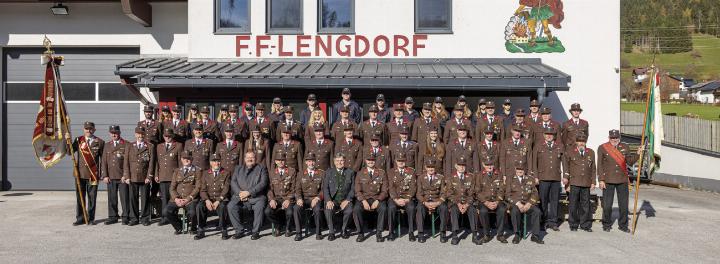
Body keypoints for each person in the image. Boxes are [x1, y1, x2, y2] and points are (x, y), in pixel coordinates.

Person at [598, 129, 640, 233]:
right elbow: (600, 165)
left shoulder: (625, 147)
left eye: (616, 137)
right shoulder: (603, 147)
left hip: (622, 179)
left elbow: (630, 162)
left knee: (624, 205)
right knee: (607, 205)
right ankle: (606, 224)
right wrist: (601, 180)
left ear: (619, 137)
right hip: (608, 180)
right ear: (609, 138)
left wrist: (638, 153)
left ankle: (623, 225)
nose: (614, 139)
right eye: (612, 138)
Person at [228, 151, 269, 240]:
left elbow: (263, 183)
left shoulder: (262, 168)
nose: (250, 159)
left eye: (252, 157)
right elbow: (233, 182)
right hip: (240, 197)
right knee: (231, 206)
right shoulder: (238, 168)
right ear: (244, 159)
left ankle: (255, 232)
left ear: (256, 159)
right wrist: (240, 193)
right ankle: (239, 231)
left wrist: (249, 192)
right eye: (248, 157)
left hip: (256, 197)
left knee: (260, 205)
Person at [531, 127, 564, 231]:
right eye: (547, 134)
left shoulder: (559, 146)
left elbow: (564, 161)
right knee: (543, 201)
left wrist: (566, 175)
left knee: (555, 201)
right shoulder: (538, 146)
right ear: (544, 135)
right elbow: (534, 162)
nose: (549, 136)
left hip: (555, 177)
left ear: (554, 136)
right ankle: (543, 221)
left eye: (551, 134)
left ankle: (553, 222)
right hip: (543, 177)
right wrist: (535, 176)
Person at [72, 121, 104, 225]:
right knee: (80, 197)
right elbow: (69, 152)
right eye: (86, 129)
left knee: (92, 198)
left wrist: (103, 174)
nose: (88, 131)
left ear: (94, 130)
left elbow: (103, 160)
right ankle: (80, 218)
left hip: (93, 174)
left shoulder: (99, 142)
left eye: (90, 129)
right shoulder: (78, 140)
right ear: (84, 129)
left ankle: (90, 218)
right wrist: (66, 140)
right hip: (80, 174)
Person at [122, 126, 156, 226]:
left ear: (144, 135)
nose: (140, 136)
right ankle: (134, 218)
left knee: (145, 198)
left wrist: (149, 177)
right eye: (138, 134)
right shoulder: (129, 146)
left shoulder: (149, 146)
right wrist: (127, 176)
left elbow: (151, 163)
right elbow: (126, 162)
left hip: (144, 177)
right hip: (132, 177)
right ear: (135, 134)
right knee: (133, 198)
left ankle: (145, 218)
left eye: (142, 134)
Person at [562, 134, 596, 232]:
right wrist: (567, 183)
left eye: (583, 141)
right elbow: (566, 167)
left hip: (586, 182)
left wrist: (593, 182)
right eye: (579, 141)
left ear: (585, 142)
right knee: (573, 204)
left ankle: (585, 224)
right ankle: (573, 224)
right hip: (574, 182)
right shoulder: (570, 152)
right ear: (576, 142)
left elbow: (593, 168)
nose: (581, 143)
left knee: (585, 205)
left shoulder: (590, 152)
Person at [505, 162, 544, 244]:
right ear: (515, 169)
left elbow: (535, 194)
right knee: (515, 211)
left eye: (522, 169)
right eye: (518, 169)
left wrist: (529, 203)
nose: (520, 171)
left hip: (527, 203)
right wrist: (518, 203)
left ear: (525, 170)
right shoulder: (510, 179)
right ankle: (517, 234)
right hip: (515, 204)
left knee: (537, 211)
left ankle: (535, 235)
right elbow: (507, 195)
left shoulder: (530, 179)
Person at [353, 155, 389, 243]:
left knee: (383, 208)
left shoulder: (382, 173)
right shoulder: (360, 173)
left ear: (375, 161)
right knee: (356, 209)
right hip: (364, 198)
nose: (370, 162)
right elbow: (357, 190)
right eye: (369, 160)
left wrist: (378, 200)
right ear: (365, 161)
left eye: (372, 160)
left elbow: (385, 190)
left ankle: (379, 232)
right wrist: (363, 201)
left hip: (377, 198)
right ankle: (360, 233)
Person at [196, 153, 232, 240]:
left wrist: (218, 200)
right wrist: (207, 200)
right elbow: (203, 190)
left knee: (223, 207)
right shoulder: (205, 173)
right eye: (214, 161)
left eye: (218, 161)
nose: (217, 163)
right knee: (199, 206)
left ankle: (224, 229)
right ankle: (201, 229)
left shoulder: (226, 173)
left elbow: (226, 189)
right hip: (209, 198)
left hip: (220, 199)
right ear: (210, 163)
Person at [443, 157, 478, 245]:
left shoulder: (471, 177)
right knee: (454, 210)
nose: (462, 167)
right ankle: (455, 234)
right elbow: (449, 193)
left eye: (463, 165)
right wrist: (458, 203)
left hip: (467, 202)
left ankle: (474, 234)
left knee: (473, 210)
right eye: (460, 165)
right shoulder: (451, 177)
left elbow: (472, 193)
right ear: (456, 166)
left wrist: (466, 204)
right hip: (455, 202)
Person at [165, 150, 201, 235]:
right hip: (178, 198)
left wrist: (188, 199)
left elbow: (198, 187)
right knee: (166, 211)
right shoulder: (177, 171)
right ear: (181, 159)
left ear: (192, 159)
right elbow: (172, 187)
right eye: (184, 158)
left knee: (192, 213)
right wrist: (176, 198)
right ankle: (179, 227)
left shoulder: (197, 171)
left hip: (191, 199)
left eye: (188, 158)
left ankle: (193, 228)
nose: (186, 160)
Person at [322, 153, 356, 241]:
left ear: (344, 161)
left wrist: (348, 200)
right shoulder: (329, 172)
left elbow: (353, 189)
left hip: (345, 199)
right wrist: (328, 200)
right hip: (333, 200)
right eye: (337, 161)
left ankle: (344, 230)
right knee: (328, 209)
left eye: (341, 160)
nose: (339, 162)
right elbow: (325, 188)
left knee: (349, 210)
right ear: (334, 162)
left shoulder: (350, 172)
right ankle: (331, 232)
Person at [293, 153, 325, 241]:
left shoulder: (322, 173)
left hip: (316, 198)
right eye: (309, 161)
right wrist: (299, 198)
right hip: (305, 199)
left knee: (317, 209)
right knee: (296, 208)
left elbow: (324, 189)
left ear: (315, 162)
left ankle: (318, 233)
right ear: (306, 162)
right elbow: (297, 189)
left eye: (313, 161)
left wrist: (318, 197)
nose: (311, 163)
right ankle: (298, 233)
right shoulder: (300, 174)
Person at [101, 125, 129, 225]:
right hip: (111, 176)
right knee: (112, 197)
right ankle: (113, 216)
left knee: (124, 197)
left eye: (116, 133)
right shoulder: (107, 145)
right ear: (109, 133)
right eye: (112, 133)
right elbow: (104, 161)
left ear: (119, 133)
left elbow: (127, 162)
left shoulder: (126, 144)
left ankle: (126, 216)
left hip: (122, 177)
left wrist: (125, 175)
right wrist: (104, 175)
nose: (114, 134)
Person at [475, 158, 508, 244]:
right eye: (487, 165)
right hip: (484, 201)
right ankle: (486, 234)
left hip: (496, 200)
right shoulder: (479, 175)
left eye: (491, 165)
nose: (489, 167)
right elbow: (477, 192)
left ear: (493, 165)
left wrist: (497, 201)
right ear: (484, 165)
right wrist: (486, 202)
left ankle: (500, 234)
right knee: (483, 211)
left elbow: (502, 189)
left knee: (502, 210)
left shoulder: (499, 174)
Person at [155, 128, 183, 226]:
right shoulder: (159, 146)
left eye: (169, 136)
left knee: (173, 198)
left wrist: (180, 176)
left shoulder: (178, 146)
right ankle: (164, 217)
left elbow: (180, 162)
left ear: (172, 136)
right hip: (163, 176)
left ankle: (173, 216)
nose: (167, 137)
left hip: (173, 176)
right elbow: (157, 162)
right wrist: (156, 174)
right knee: (164, 198)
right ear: (163, 136)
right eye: (166, 136)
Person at [415, 159, 448, 243]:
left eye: (432, 167)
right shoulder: (421, 178)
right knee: (419, 208)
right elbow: (418, 193)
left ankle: (442, 232)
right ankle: (421, 233)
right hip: (425, 201)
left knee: (444, 208)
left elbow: (444, 193)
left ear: (435, 168)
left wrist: (438, 202)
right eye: (429, 167)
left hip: (437, 201)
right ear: (426, 167)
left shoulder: (441, 177)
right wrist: (424, 202)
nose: (430, 169)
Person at [265, 153, 297, 237]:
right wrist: (271, 199)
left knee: (290, 212)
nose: (281, 162)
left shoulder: (291, 171)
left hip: (287, 197)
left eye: (282, 160)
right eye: (278, 160)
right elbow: (269, 189)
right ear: (275, 162)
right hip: (276, 198)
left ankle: (288, 228)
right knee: (267, 212)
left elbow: (294, 188)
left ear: (285, 161)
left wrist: (288, 199)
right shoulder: (271, 172)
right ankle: (278, 225)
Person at [387, 153, 417, 241]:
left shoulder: (411, 171)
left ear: (405, 161)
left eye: (402, 161)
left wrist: (407, 198)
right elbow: (390, 187)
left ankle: (411, 232)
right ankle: (391, 231)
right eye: (399, 161)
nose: (401, 162)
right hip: (395, 198)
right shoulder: (391, 171)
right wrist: (396, 199)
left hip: (407, 197)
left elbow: (413, 187)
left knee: (411, 208)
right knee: (391, 207)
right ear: (396, 161)